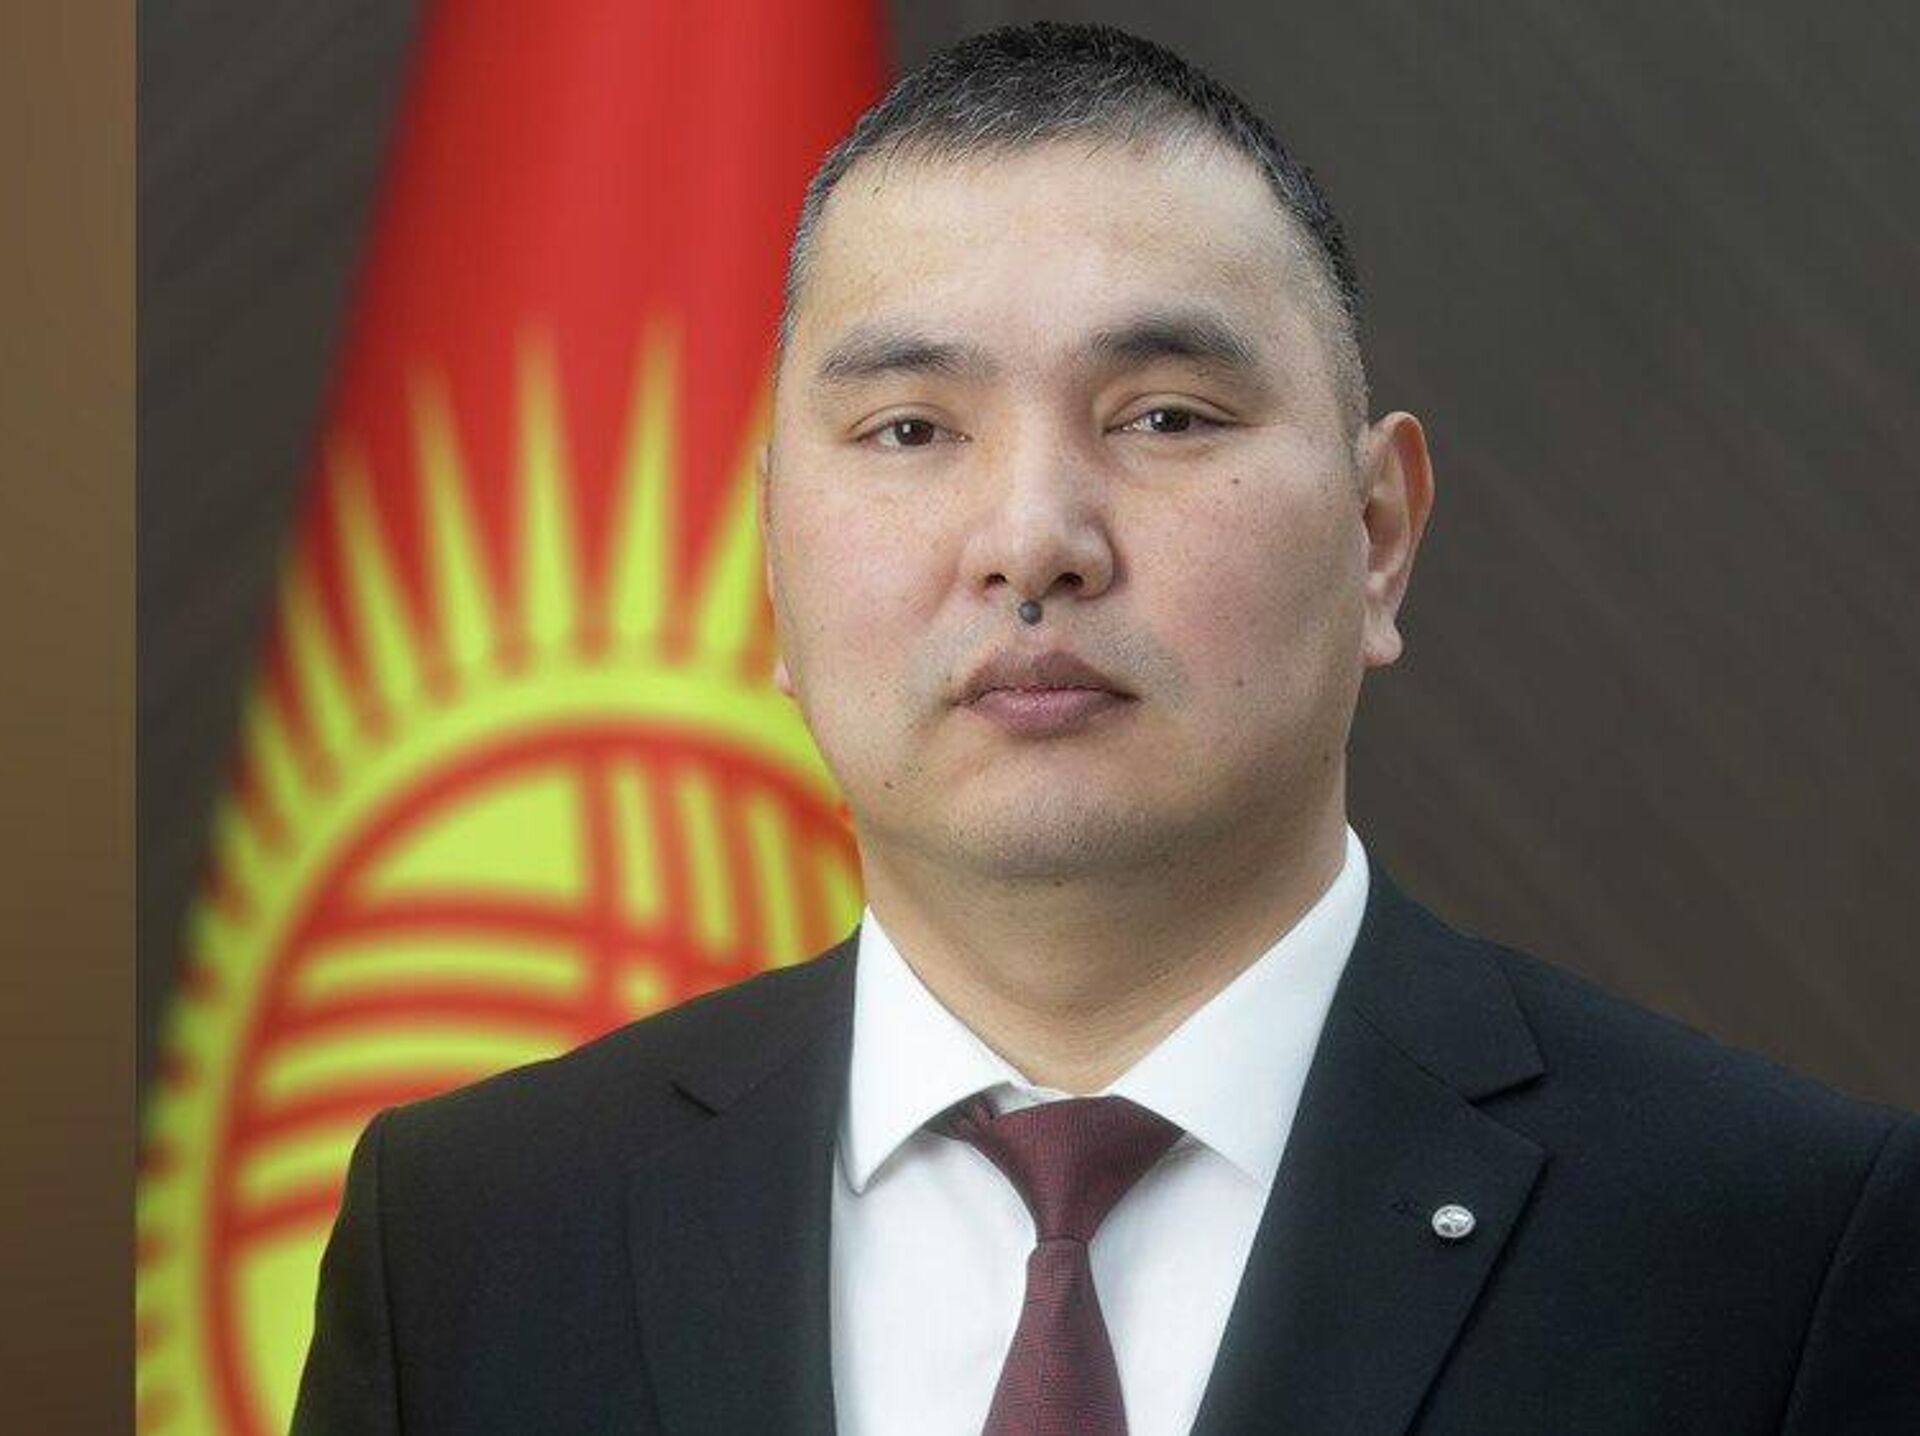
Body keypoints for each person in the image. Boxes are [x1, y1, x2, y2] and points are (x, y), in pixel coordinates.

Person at [293, 23, 1920, 1435]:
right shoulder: (472, 1240)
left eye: (1164, 416)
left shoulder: (1781, 1246)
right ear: (773, 562)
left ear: (1377, 536)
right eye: (910, 428)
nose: (1032, 541)